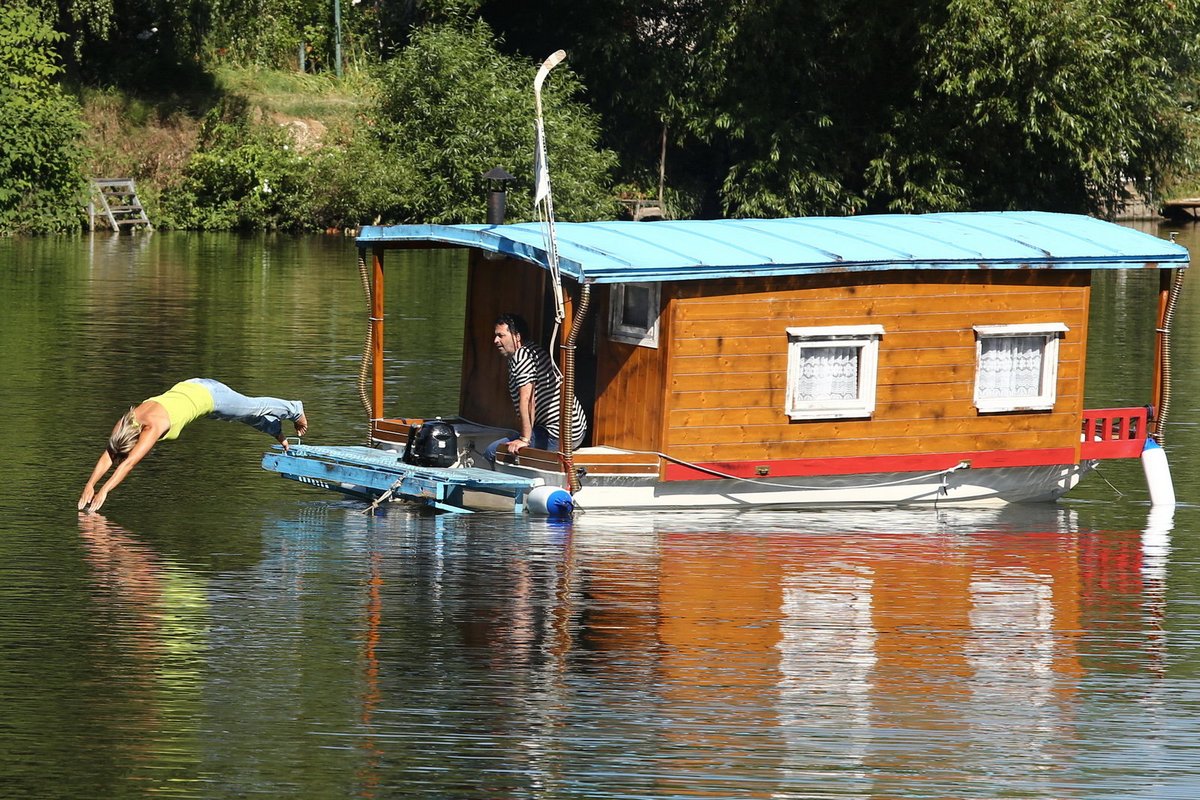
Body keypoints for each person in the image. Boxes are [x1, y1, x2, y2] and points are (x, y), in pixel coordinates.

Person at [78, 378, 308, 512]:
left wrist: (104, 490)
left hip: (209, 394)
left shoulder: (152, 428)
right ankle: (276, 430)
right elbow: (110, 452)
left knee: (251, 408)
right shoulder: (127, 422)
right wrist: (90, 484)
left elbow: (127, 465)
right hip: (192, 389)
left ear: (137, 439)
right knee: (239, 416)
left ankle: (294, 408)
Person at [485, 313, 586, 466]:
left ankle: (507, 488)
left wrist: (525, 440)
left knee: (493, 451)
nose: (496, 340)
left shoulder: (522, 358)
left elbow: (528, 400)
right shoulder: (528, 351)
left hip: (560, 434)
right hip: (572, 429)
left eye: (501, 336)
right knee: (512, 436)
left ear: (517, 336)